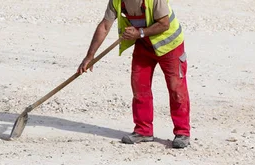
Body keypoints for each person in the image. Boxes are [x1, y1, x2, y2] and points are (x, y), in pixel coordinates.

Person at [77, 0, 191, 149]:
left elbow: (164, 24)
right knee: (139, 86)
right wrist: (90, 56)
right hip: (144, 44)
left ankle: (182, 132)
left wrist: (140, 33)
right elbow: (105, 25)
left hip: (170, 45)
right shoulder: (117, 1)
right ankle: (143, 131)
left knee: (176, 89)